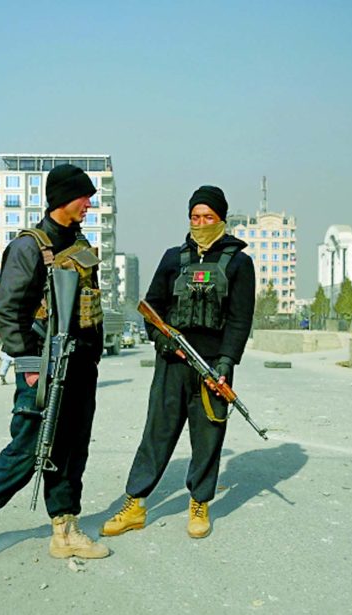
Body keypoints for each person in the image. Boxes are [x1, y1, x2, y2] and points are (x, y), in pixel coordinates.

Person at [0, 163, 109, 562]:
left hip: (80, 366)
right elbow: (7, 311)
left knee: (72, 449)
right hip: (43, 366)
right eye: (83, 197)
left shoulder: (79, 244)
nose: (89, 204)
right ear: (63, 199)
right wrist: (28, 363)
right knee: (30, 447)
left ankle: (64, 529)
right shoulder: (28, 247)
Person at [101, 185, 255, 540]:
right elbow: (152, 309)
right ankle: (135, 504)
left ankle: (199, 502)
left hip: (212, 367)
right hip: (171, 363)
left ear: (221, 219)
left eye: (208, 217)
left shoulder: (240, 263)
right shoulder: (173, 258)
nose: (201, 223)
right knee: (156, 433)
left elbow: (239, 320)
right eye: (195, 217)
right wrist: (164, 344)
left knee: (207, 437)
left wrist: (226, 363)